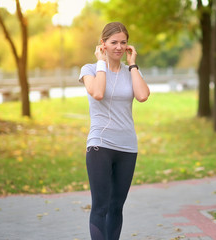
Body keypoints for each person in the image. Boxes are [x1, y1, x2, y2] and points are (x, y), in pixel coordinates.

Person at [78, 22, 150, 240]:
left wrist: (133, 65)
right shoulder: (90, 70)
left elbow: (143, 96)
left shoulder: (131, 72)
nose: (119, 47)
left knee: (117, 206)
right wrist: (101, 63)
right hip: (101, 145)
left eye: (123, 42)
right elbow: (98, 92)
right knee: (101, 206)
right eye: (114, 42)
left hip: (127, 146)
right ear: (103, 44)